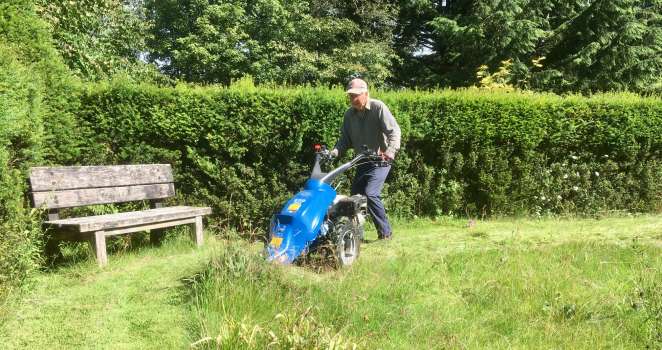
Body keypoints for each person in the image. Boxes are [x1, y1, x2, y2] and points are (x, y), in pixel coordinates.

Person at [331, 78, 401, 240]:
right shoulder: (349, 115)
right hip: (362, 161)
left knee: (371, 193)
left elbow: (394, 131)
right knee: (355, 196)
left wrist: (390, 151)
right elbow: (344, 140)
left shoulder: (378, 107)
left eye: (356, 95)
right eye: (350, 96)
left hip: (381, 160)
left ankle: (385, 233)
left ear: (365, 93)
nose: (353, 99)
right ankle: (354, 234)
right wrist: (334, 152)